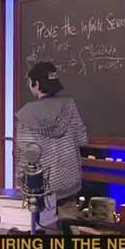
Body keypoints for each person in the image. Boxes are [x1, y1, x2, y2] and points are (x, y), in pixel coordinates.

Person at [15, 61, 88, 206]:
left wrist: (20, 180)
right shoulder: (70, 106)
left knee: (44, 220)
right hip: (70, 184)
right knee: (68, 219)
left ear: (36, 84)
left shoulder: (26, 115)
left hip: (41, 188)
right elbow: (82, 140)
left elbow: (27, 155)